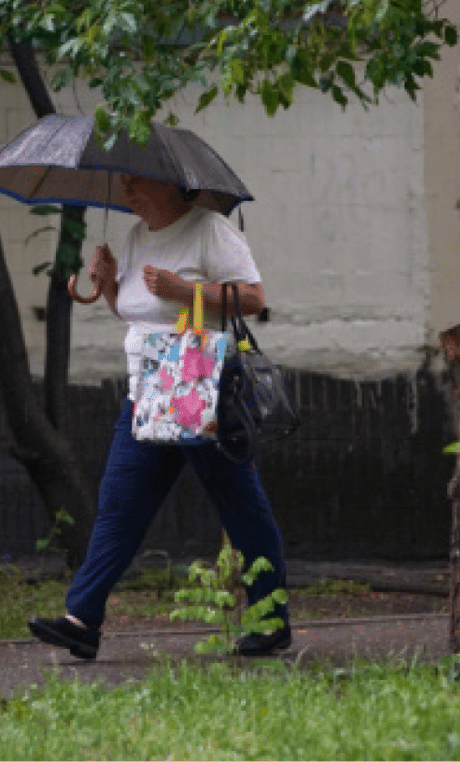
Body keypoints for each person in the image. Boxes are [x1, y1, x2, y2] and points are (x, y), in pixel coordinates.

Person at [28, 173, 291, 659]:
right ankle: (82, 620)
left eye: (137, 184)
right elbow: (134, 312)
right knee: (119, 506)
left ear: (173, 185)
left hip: (200, 391)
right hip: (147, 394)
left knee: (241, 507)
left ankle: (270, 620)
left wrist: (185, 290)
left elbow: (253, 298)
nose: (128, 193)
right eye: (124, 185)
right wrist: (107, 284)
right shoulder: (135, 237)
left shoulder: (209, 229)